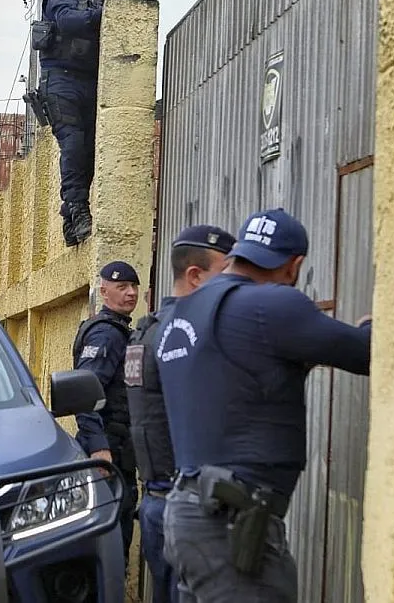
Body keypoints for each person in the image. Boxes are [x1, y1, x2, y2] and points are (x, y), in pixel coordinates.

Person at [154, 209, 372, 601]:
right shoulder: (271, 306)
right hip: (230, 523)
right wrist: (373, 325)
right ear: (295, 265)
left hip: (187, 515)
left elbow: (235, 381)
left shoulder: (178, 315)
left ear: (238, 252)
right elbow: (368, 352)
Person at [125, 225, 236, 603]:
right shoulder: (183, 333)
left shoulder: (148, 331)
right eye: (226, 273)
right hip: (184, 504)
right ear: (195, 276)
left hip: (158, 500)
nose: (234, 285)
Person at [34, 0, 136, 246]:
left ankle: (72, 217)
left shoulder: (106, 3)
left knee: (91, 151)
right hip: (61, 79)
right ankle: (78, 211)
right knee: (74, 144)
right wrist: (103, 15)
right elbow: (65, 20)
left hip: (90, 83)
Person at [71, 260, 140, 562]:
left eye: (133, 286)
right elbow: (84, 393)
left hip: (120, 451)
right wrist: (99, 447)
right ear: (104, 291)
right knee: (109, 545)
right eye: (122, 287)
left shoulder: (119, 331)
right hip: (108, 456)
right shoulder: (106, 335)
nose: (130, 293)